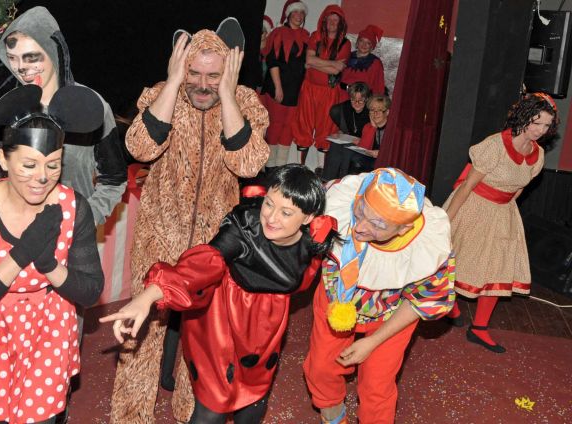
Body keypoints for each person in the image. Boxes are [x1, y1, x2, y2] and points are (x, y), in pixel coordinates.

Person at [110, 19, 269, 423]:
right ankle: (130, 417)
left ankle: (188, 414)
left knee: (205, 338)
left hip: (215, 244)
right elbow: (140, 148)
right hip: (159, 234)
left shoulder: (246, 103)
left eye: (213, 76)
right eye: (194, 73)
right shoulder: (162, 94)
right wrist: (171, 82)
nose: (202, 84)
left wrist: (228, 94)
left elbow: (249, 163)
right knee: (142, 332)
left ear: (229, 72)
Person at [102, 164, 337, 424]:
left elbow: (302, 282)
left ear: (307, 218)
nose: (271, 218)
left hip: (264, 326)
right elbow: (204, 261)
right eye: (269, 204)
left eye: (286, 212)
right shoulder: (245, 226)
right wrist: (149, 295)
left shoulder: (313, 242)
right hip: (222, 319)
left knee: (253, 403)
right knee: (212, 408)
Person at [0, 84, 104, 423]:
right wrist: (22, 253)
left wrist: (49, 264)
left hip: (46, 331)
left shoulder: (73, 207)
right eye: (29, 165)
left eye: (53, 166)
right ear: (3, 159)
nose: (42, 177)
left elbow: (90, 291)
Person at [303, 168, 455, 424]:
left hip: (390, 317)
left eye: (377, 224)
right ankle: (333, 416)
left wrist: (373, 342)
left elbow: (422, 303)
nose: (360, 227)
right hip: (335, 299)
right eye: (360, 212)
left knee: (377, 384)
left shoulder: (429, 247)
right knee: (321, 367)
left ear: (403, 229)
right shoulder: (340, 202)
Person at [0, 6, 127, 226]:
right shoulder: (4, 105)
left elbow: (114, 180)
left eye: (31, 57)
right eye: (12, 58)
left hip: (71, 236)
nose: (21, 68)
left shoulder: (87, 104)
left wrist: (85, 219)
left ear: (53, 52)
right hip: (10, 232)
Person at [443, 92, 558, 353]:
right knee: (458, 260)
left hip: (503, 211)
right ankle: (450, 305)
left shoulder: (538, 154)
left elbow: (519, 188)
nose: (541, 130)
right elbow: (467, 186)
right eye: (536, 122)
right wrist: (446, 220)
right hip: (474, 206)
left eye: (546, 125)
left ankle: (479, 328)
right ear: (524, 117)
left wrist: (506, 210)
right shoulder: (495, 145)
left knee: (499, 267)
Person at [292, 5, 351, 170]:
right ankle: (299, 169)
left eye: (336, 20)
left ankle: (321, 171)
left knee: (326, 129)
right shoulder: (316, 36)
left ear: (340, 23)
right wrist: (332, 64)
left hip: (330, 91)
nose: (332, 23)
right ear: (324, 21)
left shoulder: (345, 43)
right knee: (303, 125)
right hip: (309, 88)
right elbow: (309, 60)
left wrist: (315, 63)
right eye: (329, 19)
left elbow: (336, 70)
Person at [260, 0, 309, 171]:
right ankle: (270, 167)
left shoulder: (305, 35)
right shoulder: (278, 33)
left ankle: (281, 167)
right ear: (288, 15)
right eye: (295, 12)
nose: (299, 16)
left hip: (295, 89)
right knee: (276, 125)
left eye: (301, 13)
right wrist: (278, 87)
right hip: (278, 86)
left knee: (289, 127)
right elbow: (272, 61)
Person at [322, 82, 372, 181]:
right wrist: (340, 133)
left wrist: (362, 140)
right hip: (351, 139)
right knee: (335, 145)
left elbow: (374, 133)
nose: (356, 103)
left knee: (347, 149)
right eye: (353, 100)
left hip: (366, 142)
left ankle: (343, 181)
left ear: (366, 99)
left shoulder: (371, 110)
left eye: (360, 100)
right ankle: (327, 180)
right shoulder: (345, 107)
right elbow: (346, 128)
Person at [346, 94, 391, 174]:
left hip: (387, 160)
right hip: (371, 159)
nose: (375, 114)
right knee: (355, 158)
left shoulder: (392, 129)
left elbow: (395, 152)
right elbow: (363, 148)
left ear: (387, 112)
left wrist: (381, 153)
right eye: (372, 110)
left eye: (379, 110)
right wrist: (373, 127)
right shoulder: (368, 127)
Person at [340, 25, 386, 96]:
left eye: (368, 43)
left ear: (372, 46)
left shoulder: (376, 63)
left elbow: (379, 86)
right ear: (357, 43)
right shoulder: (347, 56)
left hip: (362, 99)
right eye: (361, 41)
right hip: (342, 95)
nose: (364, 45)